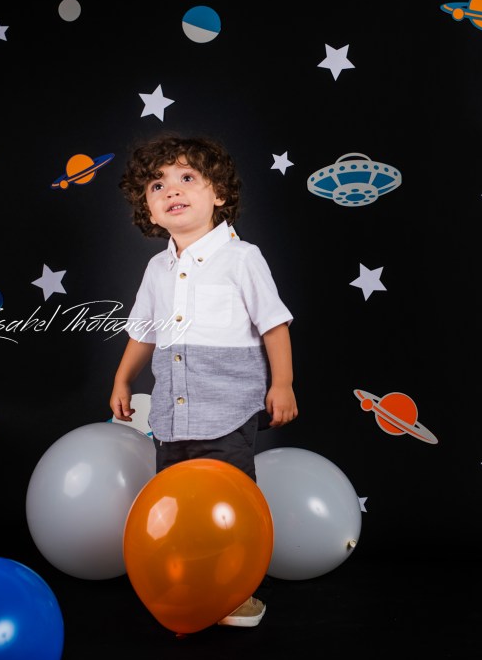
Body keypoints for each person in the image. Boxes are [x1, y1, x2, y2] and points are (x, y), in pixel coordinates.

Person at [109, 133, 297, 628]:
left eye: (187, 177)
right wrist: (123, 380)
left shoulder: (242, 258)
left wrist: (282, 384)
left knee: (227, 501)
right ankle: (185, 580)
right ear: (148, 209)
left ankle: (235, 591)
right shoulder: (157, 269)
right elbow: (144, 332)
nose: (172, 190)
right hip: (171, 416)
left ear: (219, 194)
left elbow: (273, 325)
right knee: (176, 502)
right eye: (157, 185)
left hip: (227, 410)